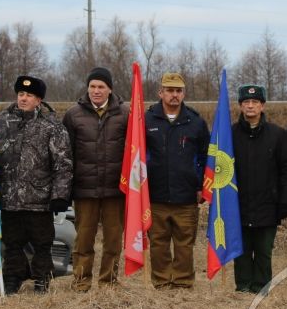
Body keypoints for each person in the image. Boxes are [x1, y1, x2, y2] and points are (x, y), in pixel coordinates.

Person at [0, 75, 72, 293]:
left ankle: (42, 279)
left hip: (40, 199)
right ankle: (13, 278)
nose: (23, 98)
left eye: (29, 95)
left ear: (39, 100)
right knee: (11, 243)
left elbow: (63, 164)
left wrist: (60, 196)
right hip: (9, 198)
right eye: (21, 94)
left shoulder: (51, 127)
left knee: (42, 243)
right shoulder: (1, 124)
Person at [62, 67, 129, 292]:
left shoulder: (125, 114)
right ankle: (81, 281)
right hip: (85, 189)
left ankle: (108, 281)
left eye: (101, 87)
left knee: (112, 239)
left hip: (115, 190)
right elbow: (67, 154)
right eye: (92, 86)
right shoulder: (73, 115)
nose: (96, 91)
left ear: (110, 89)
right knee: (83, 239)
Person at [144, 72, 210, 289]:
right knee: (159, 243)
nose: (174, 95)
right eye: (169, 90)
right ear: (160, 92)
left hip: (186, 195)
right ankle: (162, 281)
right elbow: (138, 156)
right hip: (155, 195)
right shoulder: (146, 119)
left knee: (184, 244)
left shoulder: (195, 121)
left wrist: (201, 186)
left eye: (178, 91)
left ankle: (182, 282)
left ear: (184, 93)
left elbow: (204, 157)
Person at [231, 84, 287, 294]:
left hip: (268, 204)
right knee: (241, 250)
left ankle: (261, 287)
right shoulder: (228, 134)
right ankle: (242, 286)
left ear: (262, 106)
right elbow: (218, 166)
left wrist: (285, 201)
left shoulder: (277, 135)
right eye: (246, 102)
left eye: (255, 102)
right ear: (240, 106)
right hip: (238, 204)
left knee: (263, 250)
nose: (250, 106)